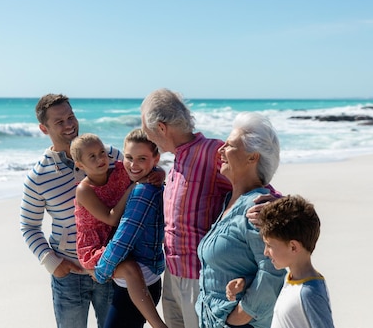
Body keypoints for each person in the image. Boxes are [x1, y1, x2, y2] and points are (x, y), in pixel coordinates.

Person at [140, 89, 278, 328]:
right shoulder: (175, 163)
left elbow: (258, 182)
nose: (147, 138)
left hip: (200, 279)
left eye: (147, 131)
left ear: (161, 128)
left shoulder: (211, 151)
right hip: (172, 276)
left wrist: (277, 203)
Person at [20, 94, 118, 328]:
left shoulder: (107, 155)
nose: (69, 125)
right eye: (59, 121)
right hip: (69, 275)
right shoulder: (38, 177)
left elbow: (138, 171)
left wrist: (156, 173)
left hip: (111, 267)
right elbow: (29, 226)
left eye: (71, 117)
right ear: (44, 129)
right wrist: (52, 262)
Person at [196, 111, 286, 328]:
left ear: (252, 157)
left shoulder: (257, 208)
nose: (220, 150)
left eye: (229, 145)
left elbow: (273, 271)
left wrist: (240, 316)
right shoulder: (229, 201)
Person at [71, 133, 168, 328]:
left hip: (113, 238)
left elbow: (146, 167)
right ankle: (158, 324)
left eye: (102, 153)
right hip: (95, 245)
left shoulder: (119, 170)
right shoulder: (84, 190)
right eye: (92, 157)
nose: (100, 159)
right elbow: (111, 217)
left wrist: (160, 173)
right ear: (80, 165)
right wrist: (134, 187)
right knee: (130, 269)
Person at [257, 195, 334, 328]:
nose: (265, 252)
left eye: (269, 245)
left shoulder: (309, 293)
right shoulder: (292, 278)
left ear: (293, 247)